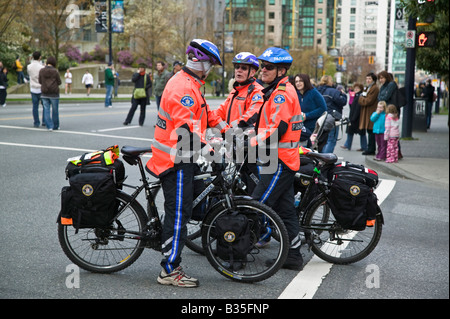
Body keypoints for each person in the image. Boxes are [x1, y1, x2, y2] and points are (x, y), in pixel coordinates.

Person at [146, 39, 229, 288]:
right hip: (176, 158)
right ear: (201, 62)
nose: (210, 69)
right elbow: (186, 130)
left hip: (182, 155)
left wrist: (227, 131)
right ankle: (169, 269)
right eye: (210, 64)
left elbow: (202, 117)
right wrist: (209, 149)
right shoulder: (183, 87)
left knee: (181, 210)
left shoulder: (191, 83)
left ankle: (170, 252)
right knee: (179, 213)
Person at [248, 47, 304, 270]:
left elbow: (278, 130)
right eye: (263, 66)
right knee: (286, 210)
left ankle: (238, 251)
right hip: (280, 158)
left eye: (268, 67)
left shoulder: (281, 94)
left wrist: (249, 144)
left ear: (281, 70)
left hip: (280, 160)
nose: (263, 70)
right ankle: (293, 255)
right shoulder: (276, 91)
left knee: (257, 204)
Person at [212, 51, 264, 194]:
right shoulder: (235, 91)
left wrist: (228, 130)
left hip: (250, 148)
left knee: (251, 187)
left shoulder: (257, 92)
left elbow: (250, 116)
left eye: (243, 68)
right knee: (233, 184)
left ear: (252, 71)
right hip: (235, 145)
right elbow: (219, 112)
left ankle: (257, 213)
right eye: (237, 67)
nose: (239, 70)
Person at [316, 75, 347, 153]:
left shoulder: (317, 91)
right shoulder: (333, 91)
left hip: (320, 118)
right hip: (332, 118)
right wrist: (343, 94)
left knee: (320, 139)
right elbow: (342, 102)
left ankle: (320, 157)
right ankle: (326, 159)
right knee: (331, 140)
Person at [294, 73, 326, 147]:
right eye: (296, 81)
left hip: (311, 129)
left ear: (306, 81)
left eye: (300, 81)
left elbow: (323, 108)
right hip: (298, 128)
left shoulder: (313, 92)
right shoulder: (295, 94)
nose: (298, 83)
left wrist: (307, 116)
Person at [358, 72, 379, 155]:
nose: (368, 80)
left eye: (369, 78)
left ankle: (371, 149)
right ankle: (369, 148)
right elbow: (363, 99)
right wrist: (362, 99)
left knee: (371, 131)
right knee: (369, 130)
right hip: (367, 112)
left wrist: (361, 99)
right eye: (367, 78)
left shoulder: (375, 88)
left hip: (371, 111)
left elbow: (368, 101)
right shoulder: (367, 88)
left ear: (373, 79)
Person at [38, 56, 61, 131]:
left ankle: (49, 126)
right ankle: (56, 125)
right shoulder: (55, 71)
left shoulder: (41, 70)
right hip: (54, 93)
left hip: (44, 92)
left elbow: (40, 81)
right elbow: (59, 82)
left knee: (46, 109)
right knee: (55, 110)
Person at [341, 83, 366, 151]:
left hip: (356, 118)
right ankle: (348, 144)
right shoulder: (356, 95)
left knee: (357, 132)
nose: (355, 89)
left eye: (357, 88)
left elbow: (357, 108)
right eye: (355, 88)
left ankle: (362, 146)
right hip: (355, 117)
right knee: (353, 132)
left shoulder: (360, 96)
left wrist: (353, 118)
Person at [27, 51, 45, 127]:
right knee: (45, 106)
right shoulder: (42, 67)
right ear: (40, 57)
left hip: (33, 88)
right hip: (41, 88)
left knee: (35, 106)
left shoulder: (29, 66)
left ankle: (36, 122)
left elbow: (29, 75)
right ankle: (44, 121)